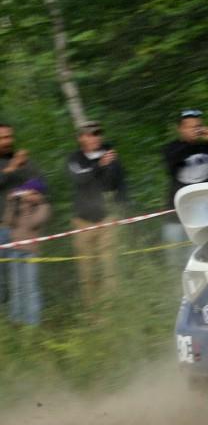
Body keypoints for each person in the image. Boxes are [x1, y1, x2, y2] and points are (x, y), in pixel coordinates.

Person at [66, 120, 129, 307]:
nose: (95, 137)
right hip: (82, 221)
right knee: (87, 271)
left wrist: (123, 208)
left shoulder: (111, 156)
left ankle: (109, 312)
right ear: (80, 138)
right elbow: (80, 179)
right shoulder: (75, 158)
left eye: (98, 133)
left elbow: (119, 183)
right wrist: (99, 165)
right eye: (90, 134)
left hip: (107, 219)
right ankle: (92, 313)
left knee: (110, 268)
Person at [162, 109, 208, 266]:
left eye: (198, 126)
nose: (195, 129)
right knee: (173, 259)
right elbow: (171, 165)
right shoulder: (172, 148)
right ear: (180, 129)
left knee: (196, 257)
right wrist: (188, 143)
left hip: (203, 215)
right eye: (190, 126)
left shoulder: (207, 147)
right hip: (176, 214)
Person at [0, 123, 42, 303]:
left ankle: (25, 324)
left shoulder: (22, 161)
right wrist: (11, 168)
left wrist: (33, 193)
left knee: (24, 282)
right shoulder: (14, 163)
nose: (7, 141)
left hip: (21, 228)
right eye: (2, 138)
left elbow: (41, 184)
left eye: (9, 137)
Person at [3, 178, 50, 326]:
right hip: (14, 250)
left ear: (38, 194)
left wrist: (27, 204)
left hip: (30, 252)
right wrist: (11, 203)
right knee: (16, 288)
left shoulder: (44, 207)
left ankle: (32, 323)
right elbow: (8, 222)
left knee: (30, 287)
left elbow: (33, 224)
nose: (26, 194)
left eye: (31, 192)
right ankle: (16, 320)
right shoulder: (18, 205)